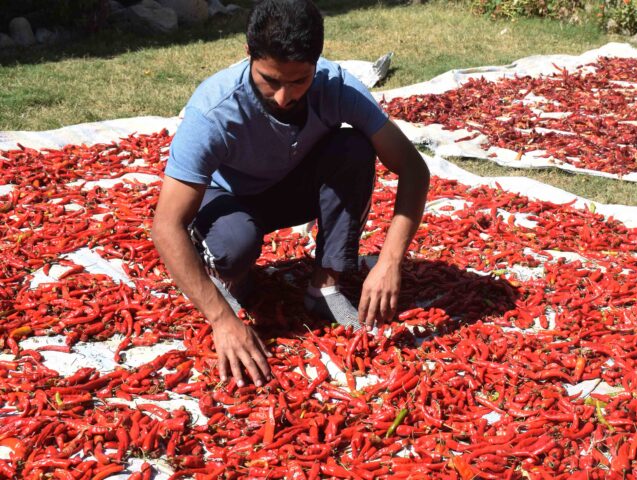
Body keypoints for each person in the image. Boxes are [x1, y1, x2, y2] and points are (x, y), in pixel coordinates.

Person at [152, 0, 429, 388]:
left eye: (298, 81)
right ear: (248, 55)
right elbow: (165, 226)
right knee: (235, 243)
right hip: (227, 197)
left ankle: (325, 286)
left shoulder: (338, 87)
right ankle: (229, 279)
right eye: (270, 80)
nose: (284, 96)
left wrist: (390, 261)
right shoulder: (214, 111)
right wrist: (220, 319)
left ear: (316, 63)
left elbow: (413, 168)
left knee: (354, 148)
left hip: (288, 184)